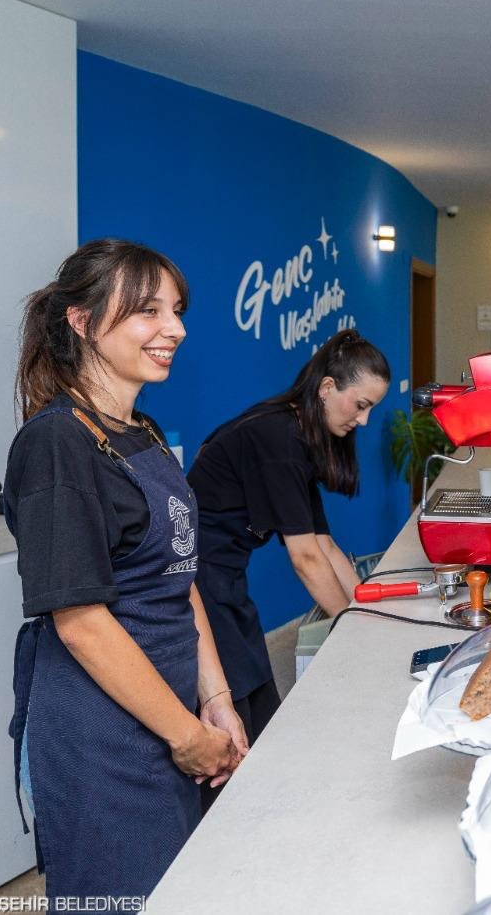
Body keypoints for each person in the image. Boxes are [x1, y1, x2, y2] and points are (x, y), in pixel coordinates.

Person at [5, 239, 245, 902]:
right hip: (101, 740)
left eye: (176, 310)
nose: (176, 329)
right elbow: (80, 621)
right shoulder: (58, 442)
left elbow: (179, 577)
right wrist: (187, 735)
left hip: (169, 715)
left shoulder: (142, 429)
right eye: (149, 311)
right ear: (82, 321)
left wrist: (215, 700)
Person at [189, 329, 389, 773]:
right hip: (197, 579)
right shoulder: (278, 439)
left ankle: (262, 778)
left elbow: (325, 545)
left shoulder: (297, 436)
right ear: (327, 387)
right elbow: (305, 558)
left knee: (260, 686)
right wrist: (352, 629)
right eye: (361, 405)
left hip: (226, 573)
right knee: (237, 700)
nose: (364, 421)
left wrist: (367, 614)